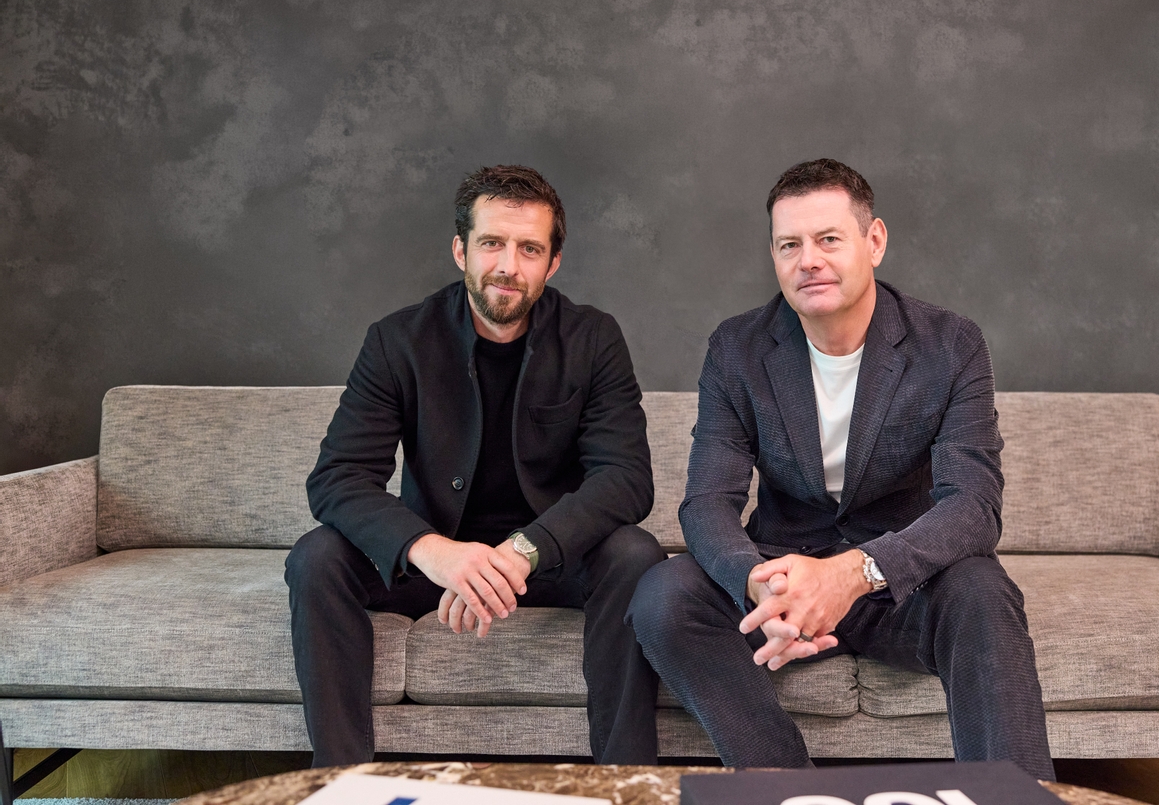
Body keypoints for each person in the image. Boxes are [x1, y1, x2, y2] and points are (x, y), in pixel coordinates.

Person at [626, 158, 1055, 781]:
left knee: (983, 592)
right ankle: (790, 792)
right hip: (784, 579)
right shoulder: (737, 348)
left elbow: (974, 506)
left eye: (828, 239)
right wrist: (758, 585)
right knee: (663, 595)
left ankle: (1011, 800)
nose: (809, 260)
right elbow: (707, 501)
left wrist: (854, 573)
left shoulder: (951, 345)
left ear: (873, 242)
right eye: (789, 245)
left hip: (898, 583)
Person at [288, 164, 664, 767]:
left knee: (635, 553)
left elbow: (625, 478)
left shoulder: (593, 338)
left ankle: (627, 784)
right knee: (317, 556)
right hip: (434, 562)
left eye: (529, 249)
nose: (508, 266)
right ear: (461, 250)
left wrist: (522, 552)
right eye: (492, 243)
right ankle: (341, 781)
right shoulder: (397, 340)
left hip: (549, 559)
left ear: (553, 262)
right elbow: (338, 478)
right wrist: (434, 552)